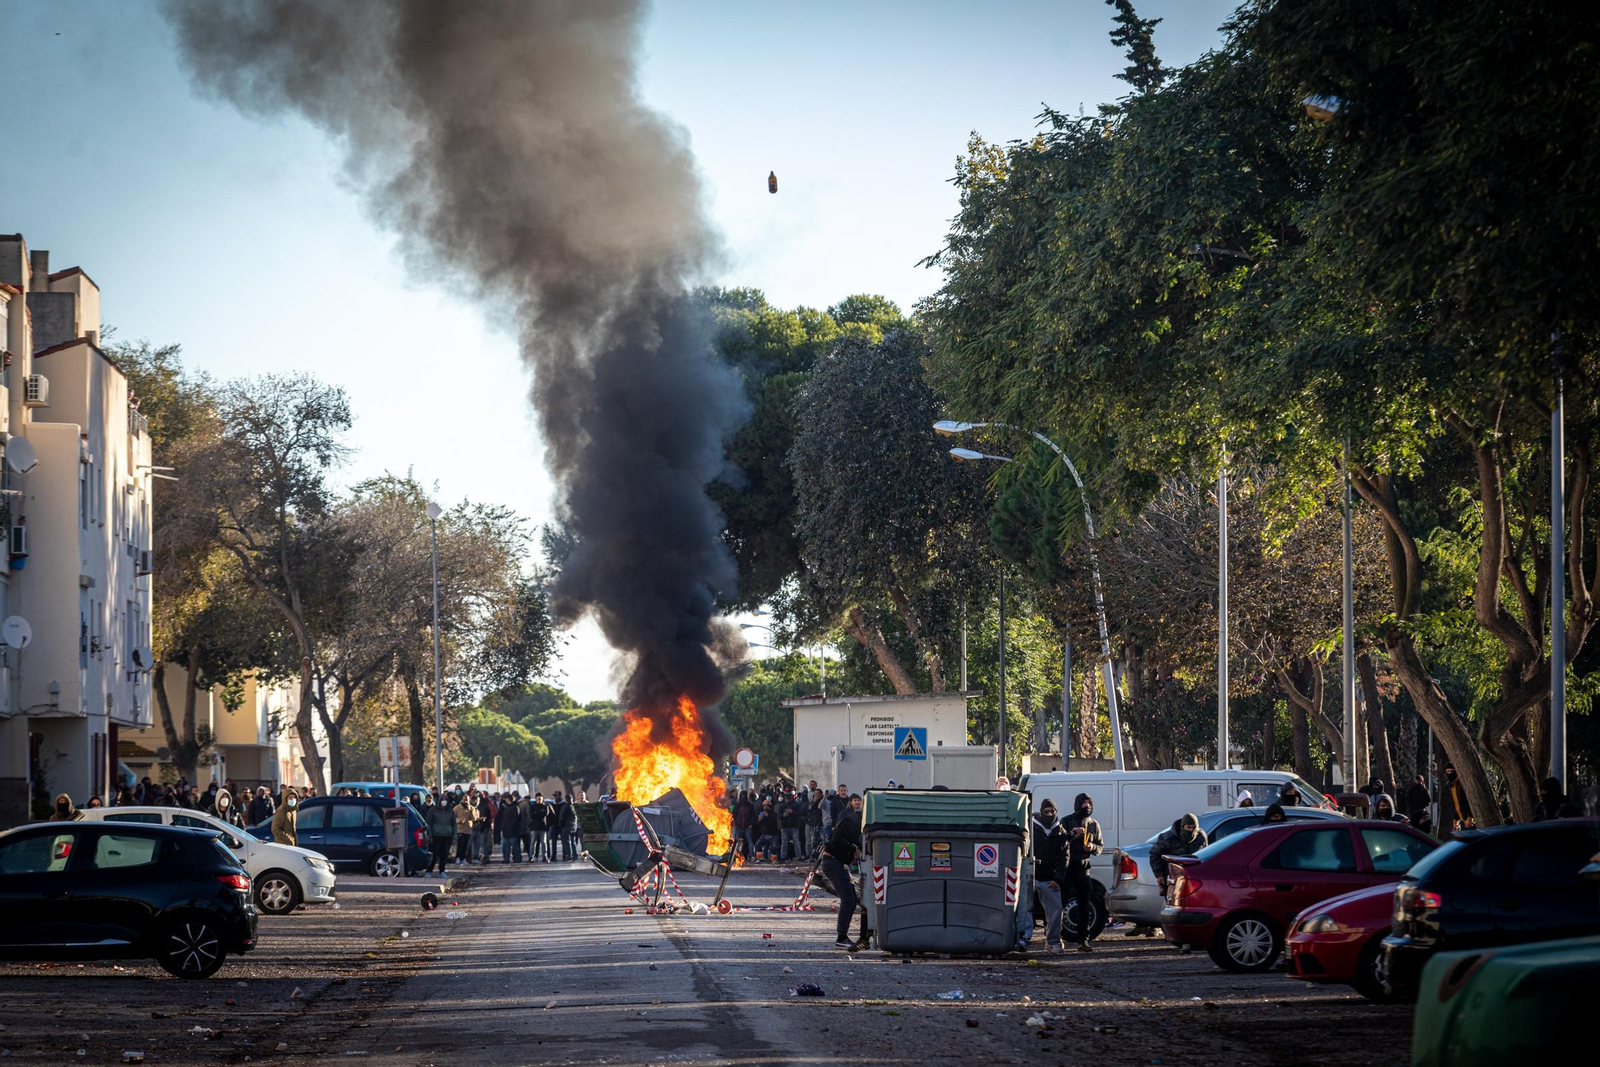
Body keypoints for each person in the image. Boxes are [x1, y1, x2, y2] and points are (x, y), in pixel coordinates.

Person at [1051, 792, 1102, 952]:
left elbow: (1100, 846)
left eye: (1089, 804)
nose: (1087, 806)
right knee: (1060, 904)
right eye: (1084, 803)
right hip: (1067, 868)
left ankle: (1083, 941)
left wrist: (1092, 847)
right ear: (1078, 804)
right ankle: (1055, 938)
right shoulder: (1067, 821)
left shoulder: (1093, 824)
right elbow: (1058, 842)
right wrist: (1072, 834)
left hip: (1083, 868)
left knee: (1084, 905)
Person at [820, 793, 864, 948]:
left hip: (838, 863)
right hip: (833, 862)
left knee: (852, 898)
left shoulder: (853, 820)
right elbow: (837, 838)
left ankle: (843, 936)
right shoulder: (851, 820)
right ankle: (841, 937)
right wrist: (853, 849)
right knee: (848, 899)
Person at [1032, 799, 1067, 953]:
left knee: (1056, 910)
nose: (1049, 814)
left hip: (1050, 879)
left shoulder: (1060, 831)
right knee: (1023, 909)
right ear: (1041, 811)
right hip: (1031, 876)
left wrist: (1058, 879)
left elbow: (1064, 858)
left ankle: (1052, 942)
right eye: (1046, 811)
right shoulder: (1031, 828)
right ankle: (1023, 939)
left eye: (1052, 811)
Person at [1148, 813, 1208, 900]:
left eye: (1193, 828)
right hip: (1173, 878)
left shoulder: (1200, 836)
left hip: (1193, 878)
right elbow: (1155, 854)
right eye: (1188, 827)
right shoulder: (1168, 838)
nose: (1191, 830)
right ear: (1182, 827)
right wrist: (1159, 875)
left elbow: (1206, 854)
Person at [425, 794, 456, 874]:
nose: (444, 801)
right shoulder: (433, 810)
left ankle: (442, 870)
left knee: (444, 854)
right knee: (435, 854)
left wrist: (454, 836)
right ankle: (429, 870)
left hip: (447, 835)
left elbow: (454, 824)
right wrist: (430, 835)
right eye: (442, 800)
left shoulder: (450, 811)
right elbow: (429, 823)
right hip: (436, 835)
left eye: (445, 800)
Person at [1440, 762, 1473, 832]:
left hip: (1470, 820)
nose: (1449, 773)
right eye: (1448, 771)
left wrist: (1470, 817)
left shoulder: (1462, 783)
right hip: (1463, 820)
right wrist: (1455, 821)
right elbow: (1455, 804)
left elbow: (1471, 801)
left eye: (1452, 771)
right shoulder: (1451, 786)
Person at [496, 792, 524, 863]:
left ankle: (517, 858)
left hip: (513, 830)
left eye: (506, 799)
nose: (505, 800)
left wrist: (511, 827)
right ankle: (506, 859)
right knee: (506, 845)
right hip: (506, 829)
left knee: (514, 845)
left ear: (509, 799)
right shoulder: (507, 808)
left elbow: (516, 819)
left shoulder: (515, 807)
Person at [779, 791, 803, 862]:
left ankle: (799, 856)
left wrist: (792, 812)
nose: (787, 800)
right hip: (785, 825)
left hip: (794, 825)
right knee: (784, 842)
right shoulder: (782, 805)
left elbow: (799, 814)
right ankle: (783, 856)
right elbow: (778, 815)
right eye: (786, 798)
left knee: (796, 841)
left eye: (788, 798)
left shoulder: (796, 805)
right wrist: (783, 815)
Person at [453, 792, 477, 864]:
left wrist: (471, 811)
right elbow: (452, 818)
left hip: (468, 829)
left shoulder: (471, 808)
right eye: (464, 799)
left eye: (467, 799)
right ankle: (458, 857)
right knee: (460, 844)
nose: (465, 800)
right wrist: (459, 820)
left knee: (466, 845)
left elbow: (474, 818)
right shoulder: (457, 808)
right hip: (460, 829)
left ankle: (463, 858)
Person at [732, 790, 756, 861]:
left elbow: (753, 815)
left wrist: (751, 824)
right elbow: (734, 815)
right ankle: (735, 856)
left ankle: (752, 856)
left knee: (750, 842)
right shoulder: (737, 805)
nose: (743, 797)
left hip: (747, 827)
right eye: (742, 796)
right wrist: (735, 823)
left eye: (744, 796)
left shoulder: (750, 805)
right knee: (737, 842)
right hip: (739, 827)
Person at [528, 792, 552, 861]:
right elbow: (532, 815)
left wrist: (537, 813)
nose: (539, 799)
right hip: (534, 827)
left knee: (544, 843)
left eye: (540, 798)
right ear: (536, 798)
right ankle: (531, 857)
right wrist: (539, 813)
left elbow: (545, 814)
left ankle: (544, 857)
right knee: (533, 843)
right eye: (538, 798)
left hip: (543, 827)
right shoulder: (532, 807)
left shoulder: (545, 806)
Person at [555, 792, 577, 861]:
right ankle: (575, 855)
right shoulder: (574, 806)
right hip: (573, 826)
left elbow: (562, 817)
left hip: (566, 826)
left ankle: (569, 855)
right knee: (573, 841)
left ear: (566, 799)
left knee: (567, 842)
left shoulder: (565, 807)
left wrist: (560, 825)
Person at [805, 788, 826, 858]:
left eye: (818, 794)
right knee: (809, 841)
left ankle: (816, 855)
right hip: (810, 823)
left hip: (819, 823)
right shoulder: (810, 803)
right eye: (815, 793)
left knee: (817, 841)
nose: (816, 795)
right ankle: (809, 855)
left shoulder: (821, 803)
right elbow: (808, 810)